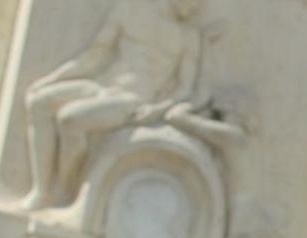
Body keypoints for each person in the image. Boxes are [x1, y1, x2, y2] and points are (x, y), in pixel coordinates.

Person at [21, 0, 203, 209]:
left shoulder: (188, 37)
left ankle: (65, 189)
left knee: (70, 119)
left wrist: (156, 110)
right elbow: (94, 55)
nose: (196, 7)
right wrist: (50, 80)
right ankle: (41, 190)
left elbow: (185, 91)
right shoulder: (130, 10)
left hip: (133, 99)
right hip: (102, 86)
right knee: (39, 102)